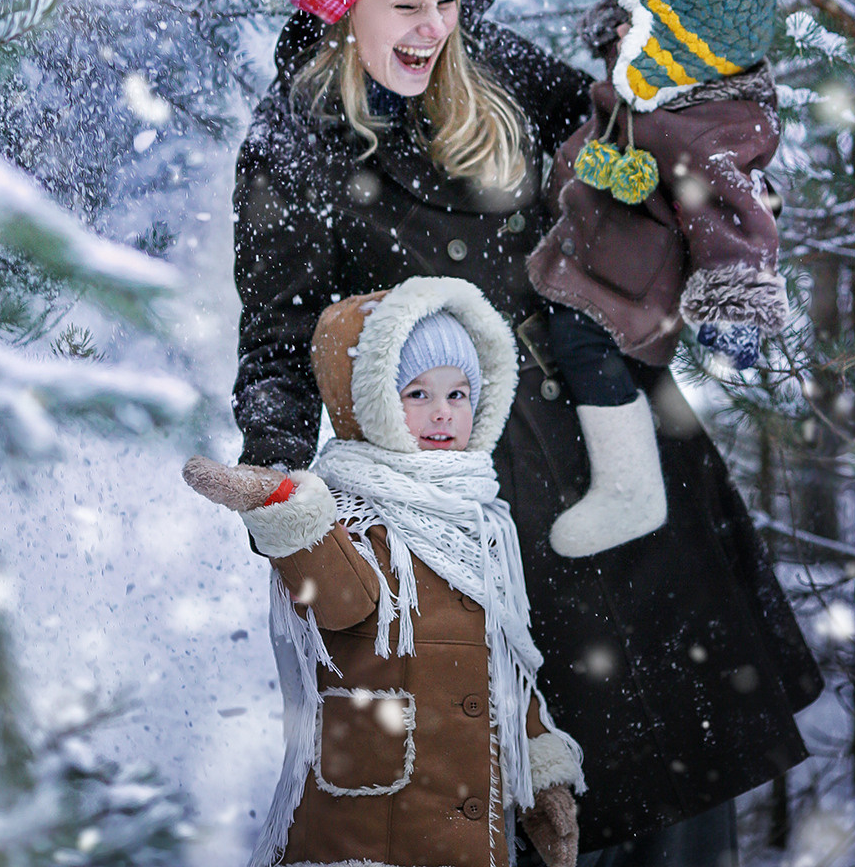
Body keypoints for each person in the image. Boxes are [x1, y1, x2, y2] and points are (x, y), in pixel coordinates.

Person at [232, 0, 823, 864]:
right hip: (466, 487)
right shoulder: (292, 145)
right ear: (345, 8)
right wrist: (277, 475)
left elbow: (627, 127)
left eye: (447, 0)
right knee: (542, 781)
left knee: (682, 762)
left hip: (611, 418)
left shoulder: (494, 65)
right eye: (405, 5)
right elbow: (280, 334)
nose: (433, 30)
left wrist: (709, 171)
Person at [187, 276, 583, 867]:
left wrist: (540, 775)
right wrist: (284, 509)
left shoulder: (485, 523)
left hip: (472, 827)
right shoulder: (349, 512)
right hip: (373, 826)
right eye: (417, 394)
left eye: (459, 394)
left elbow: (504, 666)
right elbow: (339, 601)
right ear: (367, 400)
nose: (443, 414)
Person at [531, 0, 796, 559]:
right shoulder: (661, 83)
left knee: (579, 341)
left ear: (680, 49)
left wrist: (737, 313)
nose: (619, 32)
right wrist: (619, 7)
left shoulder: (700, 136)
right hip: (600, 253)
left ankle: (630, 486)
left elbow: (738, 223)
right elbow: (634, 33)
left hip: (627, 291)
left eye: (634, 24)